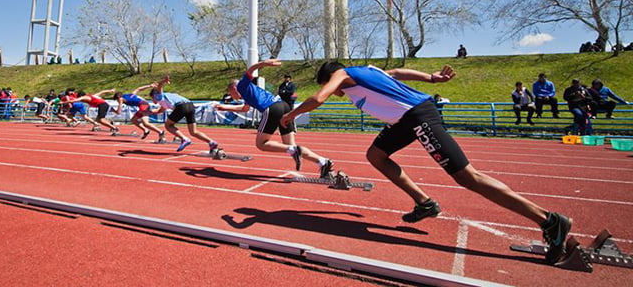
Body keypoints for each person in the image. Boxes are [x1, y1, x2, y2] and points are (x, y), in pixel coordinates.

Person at [280, 62, 572, 265]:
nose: (338, 92)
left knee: (467, 177)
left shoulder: (342, 75)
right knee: (376, 155)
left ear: (331, 75)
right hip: (404, 120)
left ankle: (548, 220)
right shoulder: (368, 72)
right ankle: (424, 202)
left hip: (417, 116)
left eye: (333, 84)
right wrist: (431, 78)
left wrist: (291, 116)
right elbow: (396, 72)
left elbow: (319, 97)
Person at [216, 59, 334, 178]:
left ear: (234, 88)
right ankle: (323, 162)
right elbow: (245, 109)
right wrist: (225, 107)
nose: (232, 96)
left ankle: (294, 150)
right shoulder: (249, 92)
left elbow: (250, 70)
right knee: (291, 145)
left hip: (272, 109)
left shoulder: (242, 85)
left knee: (261, 144)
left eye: (231, 93)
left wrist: (263, 64)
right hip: (284, 106)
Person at [149, 76, 219, 152]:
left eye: (152, 99)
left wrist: (163, 81)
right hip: (190, 105)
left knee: (168, 125)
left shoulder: (158, 96)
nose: (153, 101)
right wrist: (148, 112)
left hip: (181, 106)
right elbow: (160, 110)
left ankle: (184, 139)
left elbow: (159, 87)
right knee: (193, 131)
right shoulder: (166, 99)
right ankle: (212, 142)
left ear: (154, 95)